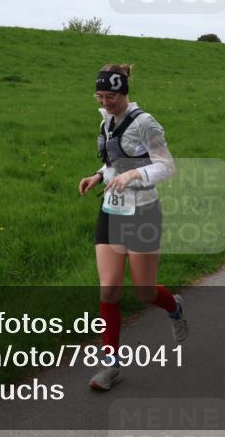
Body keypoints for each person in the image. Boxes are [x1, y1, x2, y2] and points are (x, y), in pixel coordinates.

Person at [78, 64, 187, 391]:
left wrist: (134, 175)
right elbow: (113, 160)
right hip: (112, 210)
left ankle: (175, 307)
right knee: (109, 288)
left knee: (144, 291)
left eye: (110, 96)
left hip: (143, 212)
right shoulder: (106, 120)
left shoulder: (145, 123)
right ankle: (110, 364)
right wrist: (99, 176)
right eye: (99, 96)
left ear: (124, 92)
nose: (105, 102)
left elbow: (167, 167)